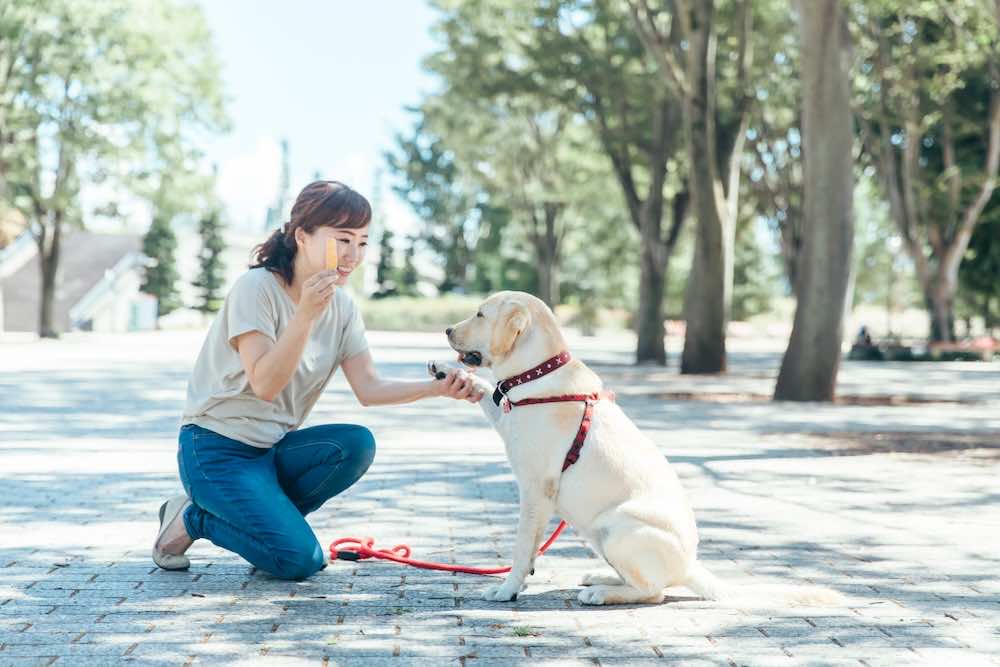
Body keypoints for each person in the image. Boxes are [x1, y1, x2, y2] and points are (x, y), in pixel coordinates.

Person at [152, 180, 483, 580]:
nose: (353, 255)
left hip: (270, 451)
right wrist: (306, 314)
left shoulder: (342, 307)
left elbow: (369, 388)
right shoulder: (255, 289)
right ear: (302, 236)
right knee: (299, 561)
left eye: (362, 242)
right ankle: (193, 518)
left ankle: (265, 528)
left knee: (355, 443)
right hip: (215, 450)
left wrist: (437, 388)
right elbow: (265, 385)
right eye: (343, 239)